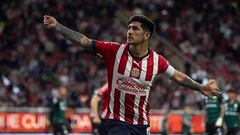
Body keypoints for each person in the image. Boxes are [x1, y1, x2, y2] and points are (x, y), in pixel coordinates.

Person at [43, 14, 221, 135]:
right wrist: (58, 26)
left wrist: (200, 87)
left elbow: (178, 77)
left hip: (142, 123)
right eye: (128, 28)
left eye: (135, 29)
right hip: (116, 120)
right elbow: (84, 41)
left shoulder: (157, 61)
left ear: (146, 35)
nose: (129, 32)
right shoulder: (114, 50)